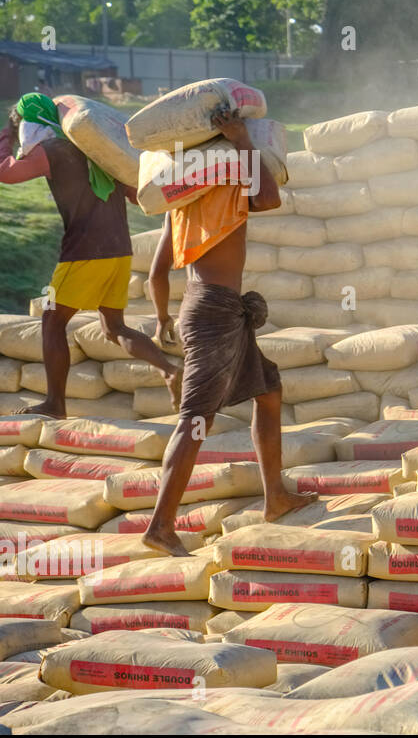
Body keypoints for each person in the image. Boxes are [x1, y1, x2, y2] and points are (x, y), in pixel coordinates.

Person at [143, 107, 314, 555]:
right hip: (215, 312)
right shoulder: (225, 180)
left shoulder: (178, 202)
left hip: (205, 307)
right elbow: (270, 198)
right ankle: (160, 526)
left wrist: (164, 320)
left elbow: (155, 275)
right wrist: (242, 140)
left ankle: (275, 497)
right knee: (196, 418)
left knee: (269, 391)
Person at [0, 93, 182, 417]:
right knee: (113, 328)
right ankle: (168, 369)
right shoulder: (99, 150)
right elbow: (133, 195)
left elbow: (7, 173)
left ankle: (55, 404)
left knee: (52, 321)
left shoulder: (52, 150)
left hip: (84, 252)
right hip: (119, 249)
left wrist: (5, 135)